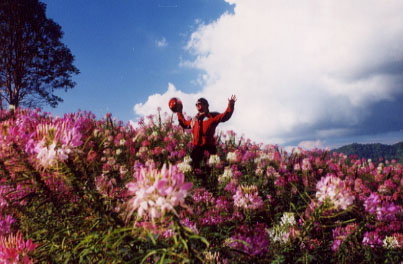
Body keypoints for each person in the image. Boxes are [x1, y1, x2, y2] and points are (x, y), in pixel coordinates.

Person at [176, 95, 236, 170]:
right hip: (197, 150)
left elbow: (225, 116)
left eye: (200, 103)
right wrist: (178, 111)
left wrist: (231, 104)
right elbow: (184, 124)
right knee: (194, 170)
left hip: (209, 149)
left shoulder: (213, 116)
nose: (197, 105)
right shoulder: (194, 120)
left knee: (209, 171)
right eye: (196, 104)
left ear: (206, 105)